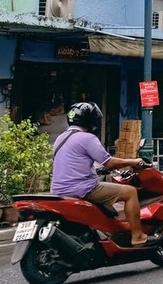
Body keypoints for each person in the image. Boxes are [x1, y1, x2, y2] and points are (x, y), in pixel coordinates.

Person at [51, 102, 149, 245]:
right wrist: (133, 162)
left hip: (58, 190)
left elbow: (74, 161)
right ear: (91, 121)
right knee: (131, 192)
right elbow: (108, 162)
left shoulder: (60, 138)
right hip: (81, 189)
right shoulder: (87, 138)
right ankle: (137, 235)